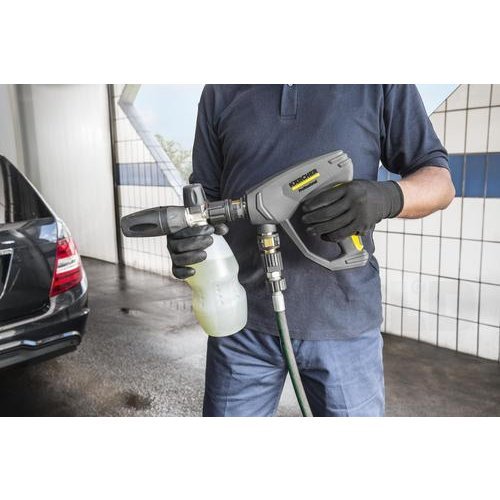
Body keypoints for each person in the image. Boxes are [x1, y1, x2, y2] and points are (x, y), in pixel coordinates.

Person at [167, 85, 455, 417]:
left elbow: (440, 184)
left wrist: (386, 197)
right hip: (240, 323)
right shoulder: (220, 89)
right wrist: (190, 239)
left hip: (344, 325)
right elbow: (205, 201)